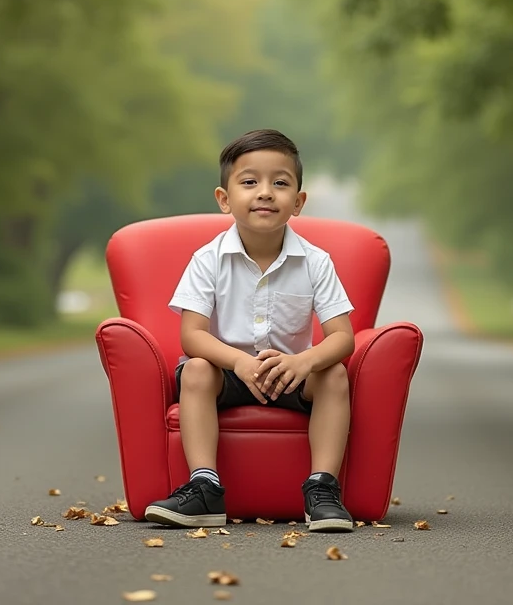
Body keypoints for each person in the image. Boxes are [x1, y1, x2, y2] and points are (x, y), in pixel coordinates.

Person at [144, 129, 357, 533]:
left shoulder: (316, 262)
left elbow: (342, 336)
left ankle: (322, 489)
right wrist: (239, 362)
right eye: (249, 182)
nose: (265, 192)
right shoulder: (208, 259)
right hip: (229, 373)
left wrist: (303, 361)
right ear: (224, 200)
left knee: (334, 372)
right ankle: (204, 486)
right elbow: (192, 335)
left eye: (280, 182)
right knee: (196, 369)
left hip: (292, 372)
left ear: (298, 202)